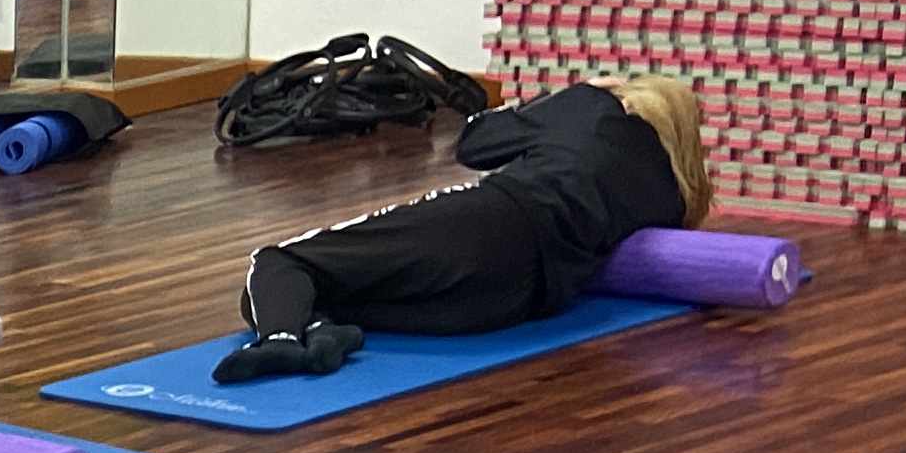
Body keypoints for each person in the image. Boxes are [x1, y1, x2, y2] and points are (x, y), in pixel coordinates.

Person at [218, 75, 709, 382]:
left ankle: (280, 342)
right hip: (510, 305)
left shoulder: (595, 107)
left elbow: (475, 145)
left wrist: (564, 96)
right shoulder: (671, 195)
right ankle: (323, 334)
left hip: (488, 222)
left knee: (281, 263)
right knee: (313, 290)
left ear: (632, 102)